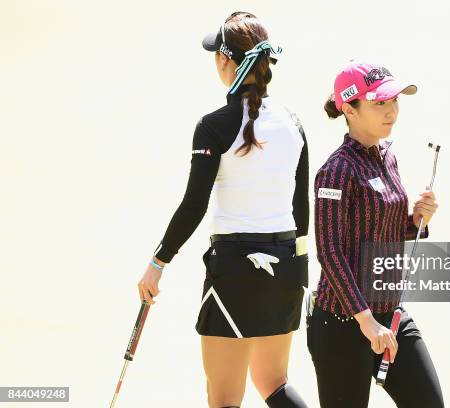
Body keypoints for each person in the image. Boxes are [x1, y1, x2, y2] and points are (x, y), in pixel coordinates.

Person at [137, 11, 309, 408]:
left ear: (226, 61)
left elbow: (194, 204)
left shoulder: (213, 125)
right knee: (274, 383)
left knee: (225, 399)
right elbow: (301, 208)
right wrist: (298, 267)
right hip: (285, 266)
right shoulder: (294, 122)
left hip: (234, 269)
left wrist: (158, 262)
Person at [307, 61, 444, 407]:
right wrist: (366, 322)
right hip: (342, 324)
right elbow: (330, 252)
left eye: (393, 101)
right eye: (379, 104)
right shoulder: (335, 171)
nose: (391, 111)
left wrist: (417, 220)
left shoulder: (388, 156)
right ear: (350, 110)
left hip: (390, 316)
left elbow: (383, 229)